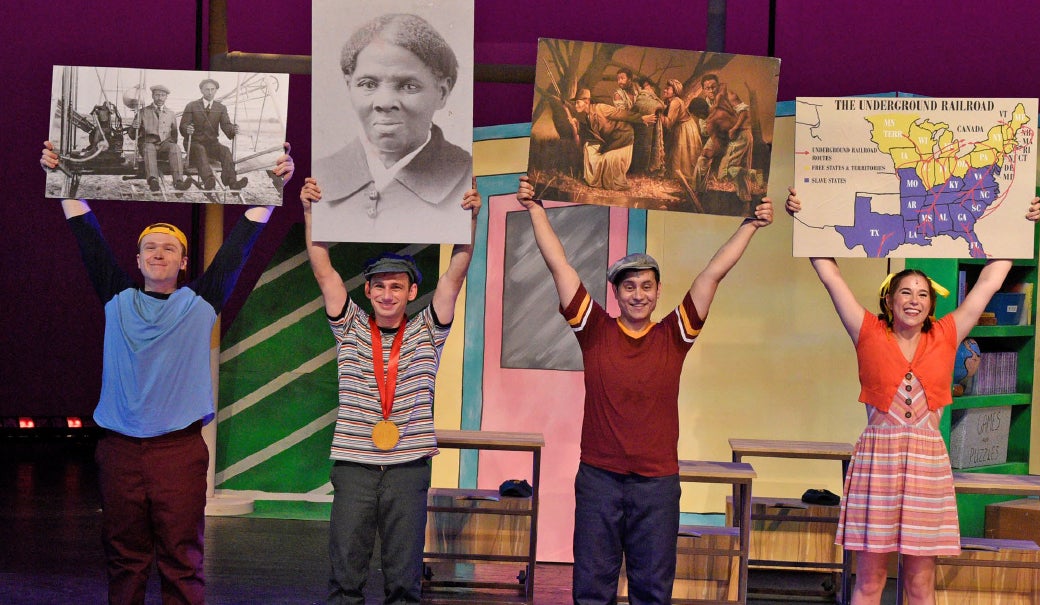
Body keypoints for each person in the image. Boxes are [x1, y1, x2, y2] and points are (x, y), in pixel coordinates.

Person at [41, 140, 294, 605]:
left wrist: (272, 185)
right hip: (119, 451)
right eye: (150, 248)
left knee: (182, 561)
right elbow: (87, 235)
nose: (159, 254)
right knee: (125, 559)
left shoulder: (200, 302)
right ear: (137, 261)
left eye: (169, 248)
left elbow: (239, 246)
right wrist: (60, 176)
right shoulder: (117, 299)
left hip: (177, 452)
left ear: (183, 262)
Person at [515, 175, 773, 605]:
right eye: (629, 286)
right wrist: (536, 210)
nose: (638, 295)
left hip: (657, 485)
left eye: (646, 286)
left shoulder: (674, 335)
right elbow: (559, 265)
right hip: (599, 481)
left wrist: (750, 224)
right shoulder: (594, 330)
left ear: (657, 291)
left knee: (652, 592)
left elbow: (712, 273)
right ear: (616, 293)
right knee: (592, 590)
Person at [785, 189, 1040, 605]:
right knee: (870, 580)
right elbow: (831, 277)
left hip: (926, 463)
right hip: (878, 462)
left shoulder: (947, 334)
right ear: (889, 299)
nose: (914, 300)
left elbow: (990, 282)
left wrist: (1019, 224)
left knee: (920, 584)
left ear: (931, 304)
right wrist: (805, 217)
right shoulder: (868, 331)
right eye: (906, 292)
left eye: (923, 294)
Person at [300, 175, 480, 605]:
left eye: (396, 285)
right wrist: (309, 212)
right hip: (355, 468)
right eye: (379, 286)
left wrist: (471, 221)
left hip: (407, 470)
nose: (386, 294)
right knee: (346, 579)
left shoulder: (428, 331)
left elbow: (455, 275)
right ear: (367, 291)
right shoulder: (349, 327)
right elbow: (323, 269)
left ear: (412, 291)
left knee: (403, 582)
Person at [315, 13, 473, 243]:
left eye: (408, 86)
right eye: (368, 84)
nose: (384, 102)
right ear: (349, 86)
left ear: (442, 92)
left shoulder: (468, 177)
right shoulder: (319, 177)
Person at [180, 78, 247, 191]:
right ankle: (208, 180)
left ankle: (232, 182)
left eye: (212, 89)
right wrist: (187, 128)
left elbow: (226, 125)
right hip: (194, 144)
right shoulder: (192, 106)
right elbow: (183, 125)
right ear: (201, 90)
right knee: (200, 149)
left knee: (225, 150)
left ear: (216, 90)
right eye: (207, 89)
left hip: (211, 144)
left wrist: (233, 129)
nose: (210, 92)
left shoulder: (220, 108)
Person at [569, 88, 634, 191]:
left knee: (609, 160)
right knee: (588, 149)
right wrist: (577, 123)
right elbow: (591, 132)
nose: (576, 105)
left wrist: (642, 118)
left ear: (586, 102)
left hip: (622, 140)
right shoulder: (588, 116)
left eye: (578, 102)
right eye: (575, 103)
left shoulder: (600, 108)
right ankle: (595, 179)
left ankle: (610, 182)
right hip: (612, 141)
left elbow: (623, 114)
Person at [129, 84, 190, 192]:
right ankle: (153, 181)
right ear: (152, 96)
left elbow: (174, 134)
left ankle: (178, 182)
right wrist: (134, 127)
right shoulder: (143, 112)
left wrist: (169, 145)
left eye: (163, 95)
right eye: (157, 95)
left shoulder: (171, 114)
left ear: (166, 97)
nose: (160, 98)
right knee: (149, 148)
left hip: (164, 145)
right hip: (148, 143)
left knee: (175, 148)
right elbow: (132, 136)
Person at [658, 79, 702, 185]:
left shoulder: (675, 102)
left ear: (674, 91)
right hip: (680, 126)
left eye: (668, 89)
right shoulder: (669, 101)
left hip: (685, 128)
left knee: (682, 155)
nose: (664, 90)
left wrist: (659, 114)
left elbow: (669, 123)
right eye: (665, 88)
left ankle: (682, 179)